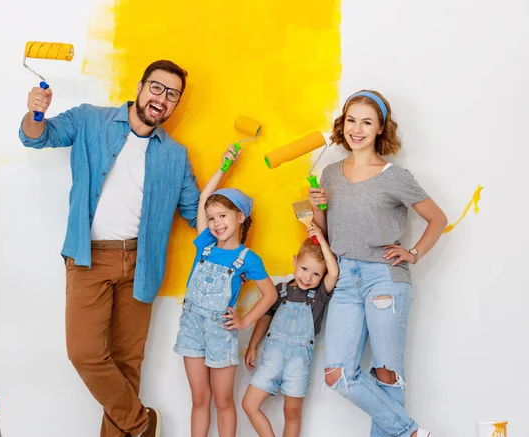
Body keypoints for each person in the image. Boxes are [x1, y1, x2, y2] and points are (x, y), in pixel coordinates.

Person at [19, 60, 200, 437]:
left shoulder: (175, 155)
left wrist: (227, 192)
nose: (161, 99)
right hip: (88, 258)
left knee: (127, 362)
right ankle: (142, 424)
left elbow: (196, 213)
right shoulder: (90, 120)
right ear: (140, 85)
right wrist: (35, 112)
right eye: (156, 88)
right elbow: (37, 137)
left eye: (172, 95)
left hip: (141, 263)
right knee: (84, 354)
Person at [308, 90, 447, 437]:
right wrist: (316, 207)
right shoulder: (329, 174)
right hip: (343, 278)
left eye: (367, 122)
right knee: (338, 374)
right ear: (343, 124)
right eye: (351, 120)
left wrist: (412, 254)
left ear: (380, 128)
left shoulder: (395, 176)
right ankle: (412, 432)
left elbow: (438, 220)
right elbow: (325, 231)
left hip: (384, 277)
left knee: (387, 375)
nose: (357, 129)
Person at [173, 146, 277, 437]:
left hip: (220, 333)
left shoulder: (248, 259)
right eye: (211, 218)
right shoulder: (205, 243)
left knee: (223, 401)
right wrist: (224, 166)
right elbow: (204, 198)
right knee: (199, 399)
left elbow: (270, 295)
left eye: (223, 216)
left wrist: (244, 322)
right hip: (192, 327)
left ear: (240, 217)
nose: (216, 223)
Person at [242, 225, 339, 437]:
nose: (307, 278)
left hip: (298, 364)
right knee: (249, 404)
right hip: (272, 360)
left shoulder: (320, 295)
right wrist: (252, 346)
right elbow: (264, 319)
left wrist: (321, 240)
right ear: (295, 261)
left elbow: (334, 272)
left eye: (316, 274)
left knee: (292, 413)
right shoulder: (280, 291)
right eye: (304, 269)